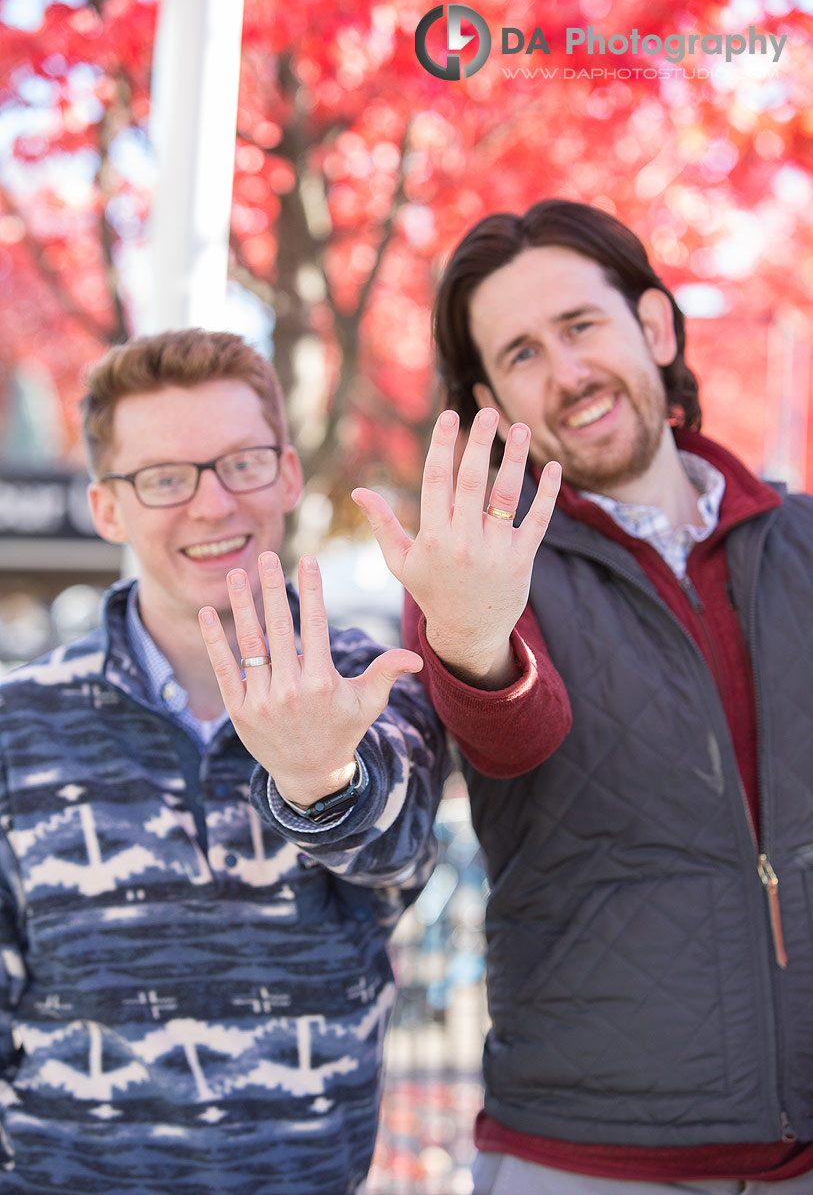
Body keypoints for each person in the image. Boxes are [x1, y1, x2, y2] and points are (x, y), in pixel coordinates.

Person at [352, 199, 813, 1194]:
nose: (565, 374)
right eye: (521, 354)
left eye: (580, 326)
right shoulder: (481, 569)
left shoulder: (802, 542)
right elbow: (512, 734)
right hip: (587, 1155)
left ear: (652, 325)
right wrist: (471, 641)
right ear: (490, 400)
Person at [0, 328, 451, 1195]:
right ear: (107, 509)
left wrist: (318, 778)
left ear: (285, 474)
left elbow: (400, 854)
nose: (211, 506)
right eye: (165, 478)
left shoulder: (371, 678)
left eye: (240, 463)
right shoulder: (20, 720)